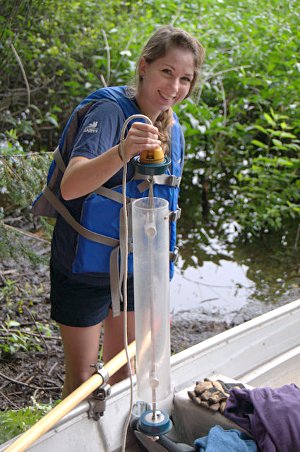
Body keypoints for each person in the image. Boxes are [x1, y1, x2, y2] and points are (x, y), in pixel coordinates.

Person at [49, 25, 205, 397]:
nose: (174, 87)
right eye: (167, 72)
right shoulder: (107, 109)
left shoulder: (173, 126)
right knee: (84, 384)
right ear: (143, 66)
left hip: (139, 265)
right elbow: (71, 186)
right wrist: (122, 151)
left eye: (185, 78)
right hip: (85, 264)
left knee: (126, 377)